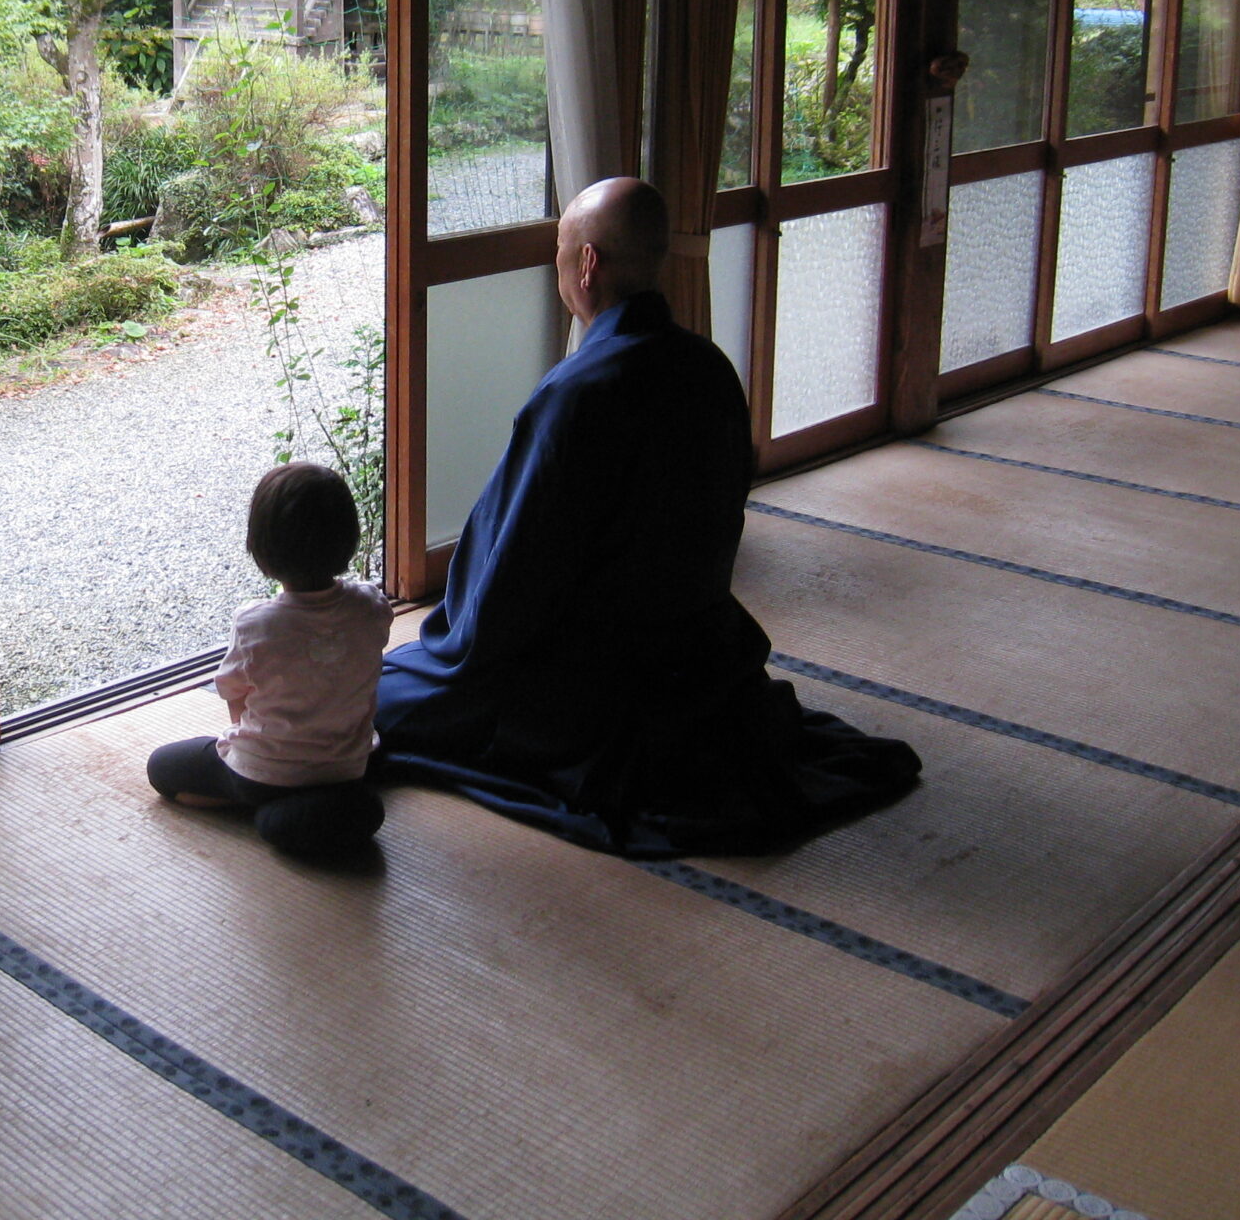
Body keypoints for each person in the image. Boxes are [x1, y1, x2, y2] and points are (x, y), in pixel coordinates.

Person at [376, 176, 921, 857]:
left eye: (558, 252)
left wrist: (457, 648)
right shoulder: (711, 369)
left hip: (592, 688)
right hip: (699, 658)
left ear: (587, 265)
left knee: (383, 695)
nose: (557, 269)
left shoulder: (577, 396)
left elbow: (509, 585)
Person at [147, 461, 392, 856]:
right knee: (357, 803)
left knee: (162, 767)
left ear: (260, 548)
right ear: (349, 539)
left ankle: (251, 801)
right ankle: (300, 812)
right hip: (348, 766)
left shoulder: (257, 624)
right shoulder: (372, 606)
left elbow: (233, 696)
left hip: (263, 771)